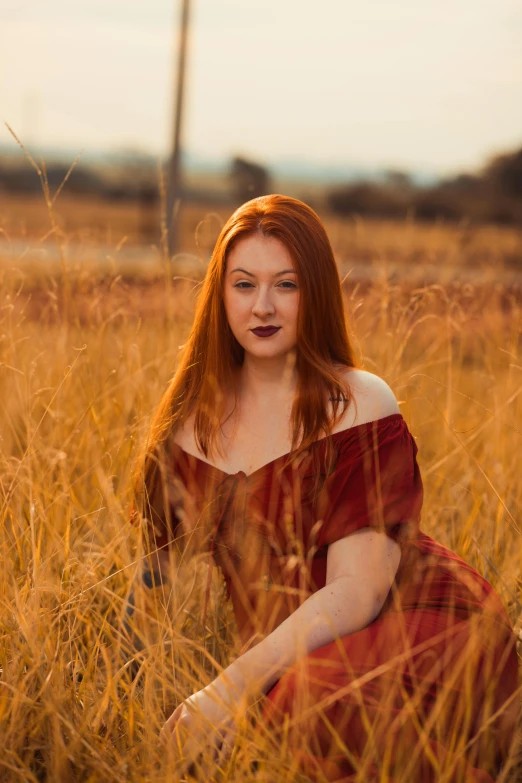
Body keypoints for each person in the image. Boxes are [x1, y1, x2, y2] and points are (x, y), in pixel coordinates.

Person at [128, 194, 519, 782]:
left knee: (308, 701)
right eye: (244, 284)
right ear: (219, 294)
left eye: (286, 285)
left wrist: (225, 689)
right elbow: (153, 573)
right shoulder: (190, 422)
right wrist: (132, 678)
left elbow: (358, 594)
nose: (263, 306)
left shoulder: (356, 401)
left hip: (410, 620)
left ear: (316, 293)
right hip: (289, 655)